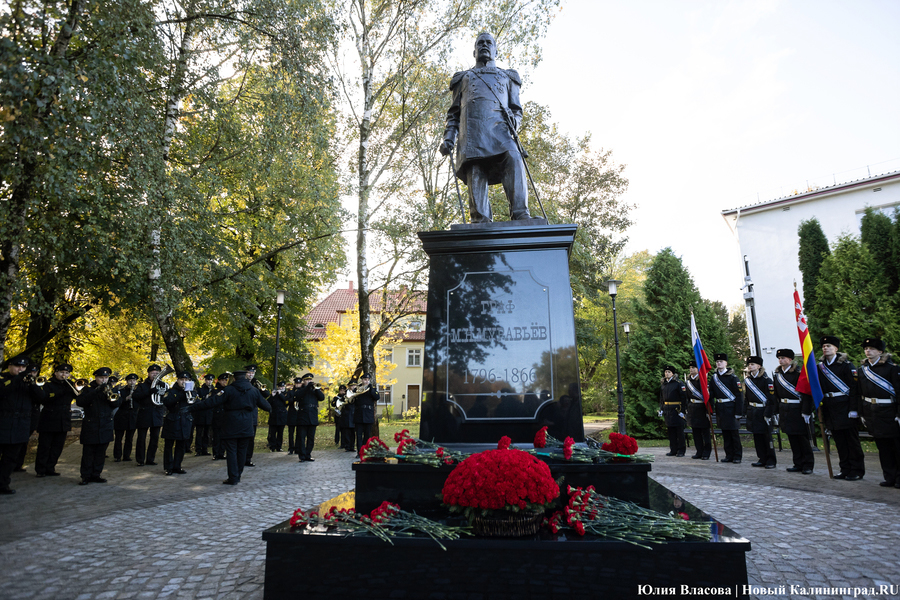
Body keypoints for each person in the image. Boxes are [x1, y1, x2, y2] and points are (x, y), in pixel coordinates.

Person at [439, 32, 530, 223]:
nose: (484, 45)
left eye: (489, 43)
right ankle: (480, 219)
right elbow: (453, 113)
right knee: (476, 170)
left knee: (513, 157)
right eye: (480, 43)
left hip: (501, 132)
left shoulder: (508, 77)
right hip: (472, 135)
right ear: (474, 51)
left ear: (496, 49)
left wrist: (514, 121)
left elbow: (516, 110)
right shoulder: (463, 78)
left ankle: (521, 214)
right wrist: (449, 137)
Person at [187, 369, 271, 485]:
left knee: (231, 451)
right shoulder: (254, 391)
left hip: (231, 423)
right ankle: (238, 474)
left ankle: (233, 477)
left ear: (235, 379)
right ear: (246, 378)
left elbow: (212, 402)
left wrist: (191, 408)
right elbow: (267, 406)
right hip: (247, 424)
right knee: (242, 450)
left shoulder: (229, 390)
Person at [818, 336, 865, 481]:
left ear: (836, 349)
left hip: (845, 406)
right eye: (824, 346)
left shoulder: (846, 365)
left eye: (829, 346)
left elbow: (854, 389)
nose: (826, 348)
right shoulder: (820, 367)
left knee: (851, 441)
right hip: (830, 408)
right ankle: (845, 469)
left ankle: (857, 470)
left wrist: (854, 409)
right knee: (840, 442)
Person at [856, 338, 900, 488]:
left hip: (889, 411)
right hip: (871, 412)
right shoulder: (862, 370)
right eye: (866, 348)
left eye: (872, 348)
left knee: (895, 446)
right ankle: (889, 477)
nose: (868, 351)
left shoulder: (892, 369)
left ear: (880, 352)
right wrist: (861, 413)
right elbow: (859, 393)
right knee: (883, 447)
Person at [0, 355, 43, 494]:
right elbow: (3, 392)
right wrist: (19, 379)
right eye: (18, 366)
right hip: (3, 423)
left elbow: (42, 398)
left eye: (23, 367)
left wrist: (32, 385)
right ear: (9, 366)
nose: (21, 369)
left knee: (10, 458)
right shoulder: (3, 380)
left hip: (21, 425)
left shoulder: (28, 383)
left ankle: (3, 484)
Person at [76, 367, 122, 485]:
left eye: (106, 378)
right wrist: (96, 391)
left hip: (106, 424)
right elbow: (80, 402)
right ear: (96, 377)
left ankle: (96, 474)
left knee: (101, 452)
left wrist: (109, 397)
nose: (104, 380)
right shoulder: (87, 389)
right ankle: (85, 476)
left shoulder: (112, 389)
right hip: (91, 424)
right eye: (101, 378)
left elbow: (117, 403)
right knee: (88, 453)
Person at [773, 349, 814, 474]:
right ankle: (798, 463)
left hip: (798, 408)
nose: (781, 360)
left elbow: (806, 393)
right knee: (792, 438)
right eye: (779, 358)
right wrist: (776, 411)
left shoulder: (798, 372)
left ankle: (808, 464)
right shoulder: (778, 374)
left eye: (783, 358)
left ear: (790, 359)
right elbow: (775, 395)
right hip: (785, 409)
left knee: (802, 438)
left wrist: (806, 411)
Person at [34, 363, 77, 477]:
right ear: (56, 373)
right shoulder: (48, 384)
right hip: (49, 419)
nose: (64, 375)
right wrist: (62, 391)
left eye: (67, 373)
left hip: (63, 419)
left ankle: (50, 468)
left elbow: (79, 397)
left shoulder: (70, 385)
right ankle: (40, 469)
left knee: (57, 446)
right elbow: (44, 398)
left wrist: (77, 388)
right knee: (45, 446)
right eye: (62, 372)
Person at [708, 353, 743, 464]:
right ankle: (729, 455)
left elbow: (739, 396)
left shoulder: (733, 377)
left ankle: (737, 456)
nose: (719, 363)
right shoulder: (714, 378)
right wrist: (710, 409)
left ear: (726, 363)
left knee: (734, 434)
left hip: (731, 408)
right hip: (720, 408)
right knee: (725, 433)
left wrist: (738, 412)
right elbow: (711, 394)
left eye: (721, 361)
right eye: (717, 361)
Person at [743, 356, 777, 469]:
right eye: (749, 364)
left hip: (763, 411)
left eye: (753, 364)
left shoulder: (766, 380)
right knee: (757, 436)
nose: (750, 366)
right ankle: (762, 458)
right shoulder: (748, 380)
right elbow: (746, 398)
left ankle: (771, 460)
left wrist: (768, 414)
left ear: (759, 366)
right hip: (753, 411)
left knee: (766, 437)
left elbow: (771, 399)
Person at [133, 365, 168, 466]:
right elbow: (136, 396)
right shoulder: (142, 386)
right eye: (153, 373)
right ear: (148, 373)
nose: (155, 375)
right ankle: (140, 460)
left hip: (157, 413)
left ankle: (150, 459)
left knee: (155, 438)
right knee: (141, 438)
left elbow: (166, 399)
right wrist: (149, 392)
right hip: (144, 413)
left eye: (157, 373)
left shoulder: (163, 385)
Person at [161, 372, 194, 475]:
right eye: (181, 379)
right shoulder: (171, 391)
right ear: (177, 380)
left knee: (181, 446)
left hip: (185, 420)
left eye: (186, 379)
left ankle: (177, 466)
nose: (184, 381)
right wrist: (181, 394)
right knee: (169, 446)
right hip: (172, 420)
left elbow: (195, 403)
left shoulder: (192, 391)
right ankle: (168, 467)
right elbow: (166, 402)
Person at [14, 363, 41, 473]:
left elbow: (41, 397)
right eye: (31, 372)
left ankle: (18, 464)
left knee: (24, 442)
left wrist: (33, 385)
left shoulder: (36, 384)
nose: (33, 374)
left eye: (35, 372)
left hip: (31, 417)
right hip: (18, 417)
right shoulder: (18, 382)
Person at [685, 361, 712, 460]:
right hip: (692, 408)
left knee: (705, 433)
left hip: (702, 408)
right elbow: (687, 397)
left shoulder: (703, 380)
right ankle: (699, 451)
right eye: (690, 367)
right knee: (696, 432)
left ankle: (706, 452)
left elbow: (709, 397)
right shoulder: (688, 382)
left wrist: (709, 411)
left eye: (694, 367)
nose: (692, 369)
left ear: (698, 369)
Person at [658, 365, 687, 457]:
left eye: (669, 372)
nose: (667, 373)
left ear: (673, 373)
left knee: (679, 431)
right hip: (667, 409)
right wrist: (661, 409)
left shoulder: (678, 383)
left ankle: (681, 450)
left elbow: (684, 398)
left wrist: (683, 410)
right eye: (666, 372)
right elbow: (662, 398)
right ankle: (673, 449)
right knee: (671, 431)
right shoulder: (664, 384)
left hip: (676, 409)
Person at [295, 373, 325, 462]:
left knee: (311, 437)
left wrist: (317, 390)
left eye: (310, 380)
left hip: (312, 415)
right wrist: (307, 387)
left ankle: (308, 454)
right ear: (303, 381)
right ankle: (302, 456)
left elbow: (322, 398)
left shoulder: (315, 390)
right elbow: (298, 396)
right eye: (307, 380)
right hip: (303, 416)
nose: (309, 381)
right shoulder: (301, 389)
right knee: (301, 437)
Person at [112, 373, 139, 462]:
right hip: (121, 416)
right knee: (119, 437)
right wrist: (126, 399)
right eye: (130, 381)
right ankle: (117, 456)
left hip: (132, 416)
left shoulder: (138, 391)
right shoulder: (122, 391)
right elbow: (117, 402)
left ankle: (127, 455)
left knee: (129, 438)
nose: (132, 382)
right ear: (127, 382)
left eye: (134, 380)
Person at [354, 373, 380, 456]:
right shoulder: (357, 389)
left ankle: (365, 451)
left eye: (368, 380)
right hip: (359, 414)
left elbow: (377, 397)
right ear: (362, 380)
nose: (366, 381)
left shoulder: (372, 389)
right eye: (365, 379)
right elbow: (352, 398)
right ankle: (359, 452)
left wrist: (371, 388)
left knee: (367, 435)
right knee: (358, 435)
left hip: (368, 415)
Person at [192, 374, 215, 456]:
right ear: (205, 380)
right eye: (208, 380)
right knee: (199, 433)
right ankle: (198, 450)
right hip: (200, 415)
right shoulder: (200, 390)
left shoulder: (214, 390)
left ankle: (205, 449)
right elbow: (197, 401)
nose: (209, 382)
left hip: (209, 414)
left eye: (211, 380)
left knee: (206, 433)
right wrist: (206, 398)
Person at [210, 373, 230, 460]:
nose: (224, 382)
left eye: (226, 380)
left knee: (224, 435)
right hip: (217, 415)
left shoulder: (229, 389)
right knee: (216, 436)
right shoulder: (215, 390)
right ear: (219, 381)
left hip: (226, 415)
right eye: (223, 380)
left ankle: (222, 452)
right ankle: (216, 453)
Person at [267, 381, 288, 452]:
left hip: (282, 416)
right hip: (274, 416)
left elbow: (286, 401)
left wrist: (280, 394)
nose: (282, 388)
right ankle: (272, 446)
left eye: (283, 387)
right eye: (280, 387)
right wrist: (272, 396)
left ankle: (279, 447)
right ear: (278, 387)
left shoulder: (285, 394)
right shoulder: (274, 394)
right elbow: (267, 403)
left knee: (280, 433)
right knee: (272, 433)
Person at [335, 384, 356, 452]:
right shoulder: (345, 394)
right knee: (346, 432)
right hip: (346, 415)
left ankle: (352, 446)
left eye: (354, 386)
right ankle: (347, 446)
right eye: (351, 386)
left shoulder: (356, 393)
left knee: (353, 432)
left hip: (353, 414)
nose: (353, 387)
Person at [285, 377, 302, 455]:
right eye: (296, 383)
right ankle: (291, 448)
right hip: (292, 414)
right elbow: (287, 401)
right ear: (294, 384)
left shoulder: (302, 391)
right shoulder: (290, 392)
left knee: (299, 432)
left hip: (300, 414)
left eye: (299, 383)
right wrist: (293, 399)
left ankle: (297, 448)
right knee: (291, 433)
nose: (298, 385)